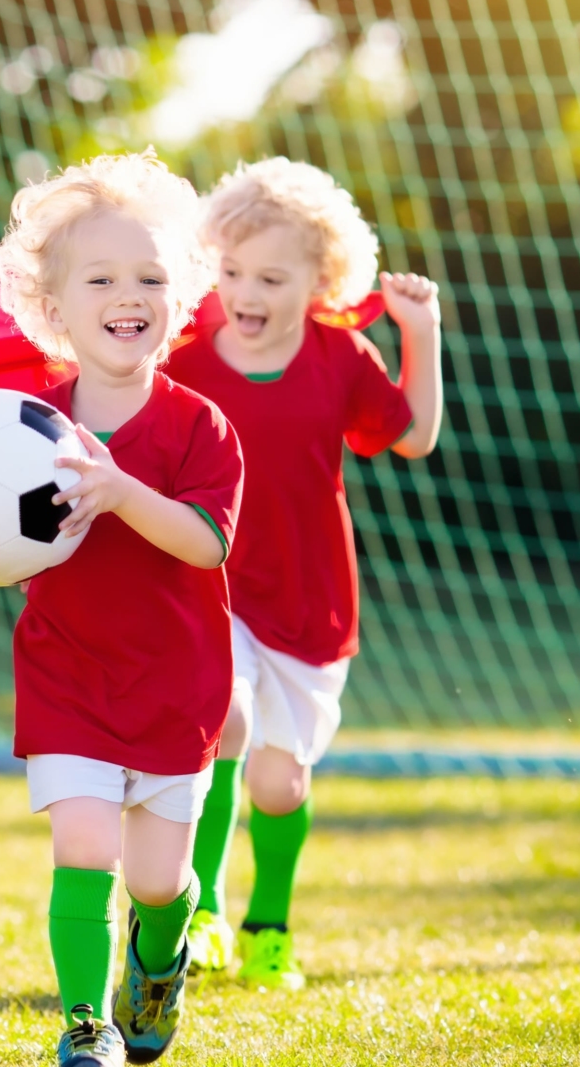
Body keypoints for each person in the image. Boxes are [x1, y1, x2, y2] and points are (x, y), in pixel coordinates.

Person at [0, 152, 244, 1067]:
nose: (127, 295)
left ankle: (164, 946)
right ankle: (82, 1033)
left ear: (179, 300)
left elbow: (204, 543)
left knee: (153, 880)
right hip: (68, 681)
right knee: (82, 852)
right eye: (100, 278)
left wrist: (120, 490)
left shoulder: (200, 429)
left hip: (175, 686)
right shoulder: (22, 428)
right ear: (54, 306)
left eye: (149, 278)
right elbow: (1, 544)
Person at [167, 157, 443, 992]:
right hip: (213, 586)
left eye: (271, 277)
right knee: (224, 718)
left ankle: (269, 923)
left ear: (320, 281)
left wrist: (419, 333)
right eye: (233, 271)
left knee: (281, 785)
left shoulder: (339, 357)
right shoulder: (185, 356)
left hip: (311, 601)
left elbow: (414, 435)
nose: (246, 292)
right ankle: (203, 903)